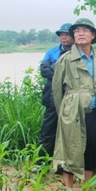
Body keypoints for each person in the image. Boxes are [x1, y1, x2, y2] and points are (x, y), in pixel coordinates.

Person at [52, 18, 96, 191]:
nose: (80, 33)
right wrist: (65, 112)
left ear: (93, 35)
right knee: (69, 153)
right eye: (77, 31)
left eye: (85, 30)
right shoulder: (65, 60)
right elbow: (57, 90)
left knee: (91, 152)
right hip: (72, 112)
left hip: (95, 111)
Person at [38, 23, 73, 157]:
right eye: (61, 35)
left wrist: (55, 68)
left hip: (70, 98)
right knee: (48, 130)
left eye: (67, 35)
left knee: (70, 131)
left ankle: (66, 161)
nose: (63, 37)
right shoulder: (52, 51)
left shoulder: (77, 53)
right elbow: (44, 70)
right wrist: (61, 74)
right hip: (51, 97)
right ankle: (42, 161)